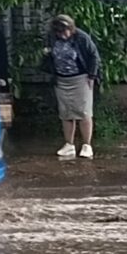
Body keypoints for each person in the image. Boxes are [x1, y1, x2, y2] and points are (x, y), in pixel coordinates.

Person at [40, 14, 101, 160]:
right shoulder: (52, 37)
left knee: (84, 111)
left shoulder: (81, 37)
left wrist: (92, 75)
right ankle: (69, 144)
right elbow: (48, 54)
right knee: (66, 112)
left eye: (64, 31)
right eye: (58, 32)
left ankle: (87, 145)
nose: (62, 35)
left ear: (71, 28)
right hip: (61, 80)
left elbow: (94, 56)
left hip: (81, 78)